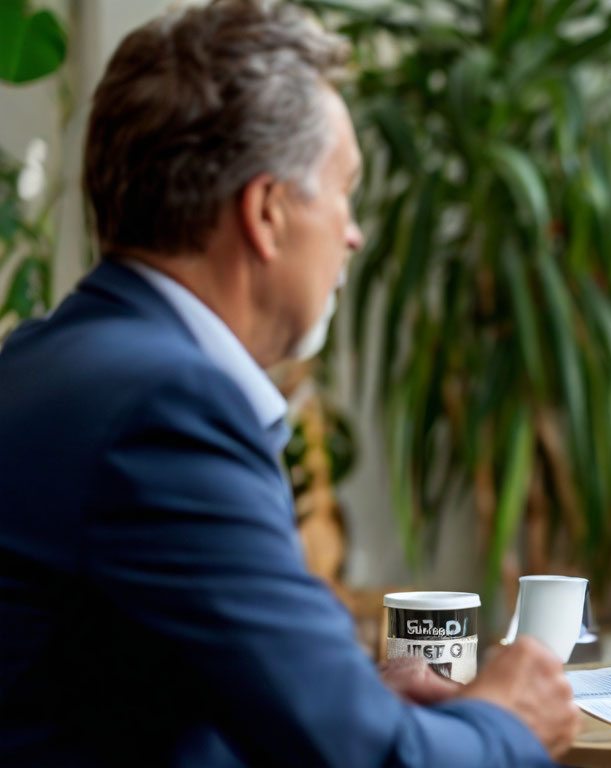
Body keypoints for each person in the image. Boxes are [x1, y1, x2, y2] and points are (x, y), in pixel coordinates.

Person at [0, 1, 577, 764]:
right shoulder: (169, 409)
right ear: (268, 213)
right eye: (344, 191)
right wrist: (511, 722)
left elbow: (140, 698)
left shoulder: (34, 360)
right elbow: (359, 758)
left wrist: (344, 694)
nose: (354, 233)